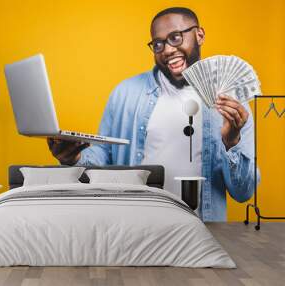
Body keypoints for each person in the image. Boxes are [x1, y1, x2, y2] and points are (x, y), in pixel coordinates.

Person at [47, 7, 259, 221]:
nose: (167, 50)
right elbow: (104, 157)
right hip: (136, 227)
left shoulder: (232, 104)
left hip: (201, 232)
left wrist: (232, 141)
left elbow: (244, 192)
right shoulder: (125, 93)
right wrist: (74, 158)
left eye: (175, 38)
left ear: (199, 35)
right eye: (158, 44)